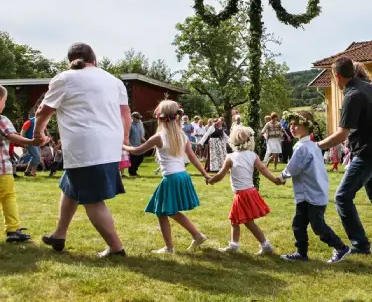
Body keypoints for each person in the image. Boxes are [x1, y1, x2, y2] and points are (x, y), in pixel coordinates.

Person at [33, 43, 130, 257]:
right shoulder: (114, 81)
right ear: (94, 60)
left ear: (70, 60)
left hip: (84, 146)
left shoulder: (65, 78)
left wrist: (38, 134)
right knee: (70, 187)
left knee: (93, 199)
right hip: (108, 145)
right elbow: (126, 115)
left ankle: (116, 248)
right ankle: (59, 235)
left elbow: (43, 110)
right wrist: (122, 140)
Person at [317, 57, 372, 255]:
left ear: (337, 76)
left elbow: (342, 133)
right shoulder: (369, 88)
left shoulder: (353, 95)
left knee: (342, 197)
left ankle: (360, 244)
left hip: (366, 153)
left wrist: (317, 146)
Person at [122, 101, 209, 253]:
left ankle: (181, 242)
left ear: (160, 118)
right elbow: (192, 157)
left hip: (171, 178)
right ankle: (193, 236)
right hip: (182, 176)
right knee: (165, 211)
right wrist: (205, 174)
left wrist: (122, 145)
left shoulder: (159, 137)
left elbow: (136, 151)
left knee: (166, 211)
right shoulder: (182, 135)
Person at [278, 111, 350, 263]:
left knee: (318, 226)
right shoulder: (310, 145)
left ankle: (341, 247)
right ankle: (301, 253)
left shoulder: (303, 147)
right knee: (298, 224)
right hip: (308, 193)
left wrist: (281, 176)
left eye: (296, 124)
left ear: (307, 126)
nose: (292, 127)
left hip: (312, 193)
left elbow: (294, 167)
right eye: (291, 124)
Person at [207, 125, 281, 254]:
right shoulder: (252, 155)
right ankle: (235, 245)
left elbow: (220, 175)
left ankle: (264, 245)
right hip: (250, 192)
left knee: (246, 222)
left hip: (242, 194)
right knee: (236, 219)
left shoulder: (230, 157)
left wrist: (210, 180)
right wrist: (274, 180)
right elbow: (263, 169)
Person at [0, 85, 42, 243]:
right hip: (2, 170)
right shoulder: (2, 120)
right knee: (8, 197)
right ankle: (12, 230)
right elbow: (11, 136)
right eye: (4, 100)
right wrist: (31, 141)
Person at [128, 112, 146, 177]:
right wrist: (129, 146)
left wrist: (147, 142)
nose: (139, 119)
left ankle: (134, 171)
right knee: (133, 160)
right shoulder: (130, 125)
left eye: (139, 118)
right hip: (132, 146)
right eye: (138, 118)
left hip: (139, 145)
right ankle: (132, 173)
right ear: (133, 118)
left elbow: (141, 136)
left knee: (140, 158)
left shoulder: (139, 125)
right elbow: (127, 136)